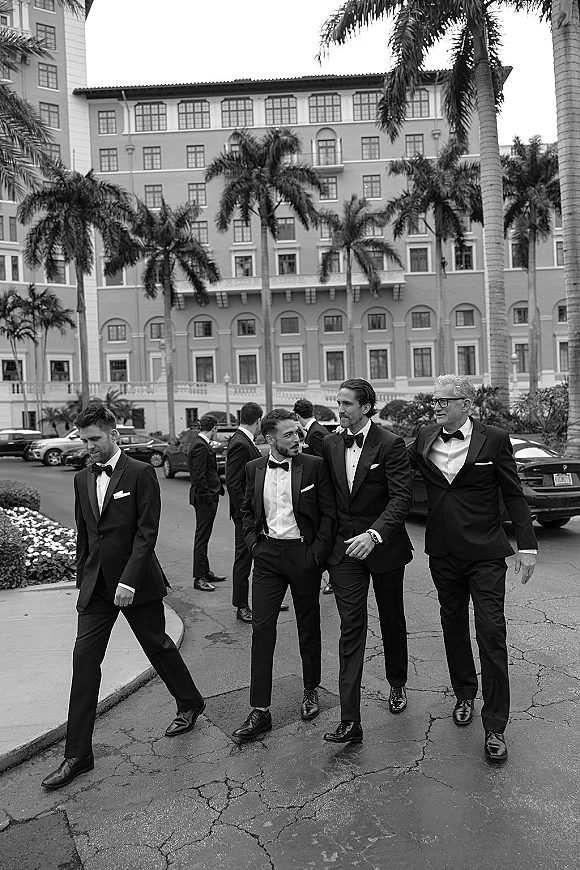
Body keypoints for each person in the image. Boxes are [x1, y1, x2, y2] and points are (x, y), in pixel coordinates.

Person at [42, 406, 205, 791]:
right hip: (98, 587)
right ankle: (78, 754)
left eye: (94, 439)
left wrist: (129, 580)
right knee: (84, 661)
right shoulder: (82, 478)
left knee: (158, 646)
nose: (89, 447)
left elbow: (147, 533)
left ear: (113, 434)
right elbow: (85, 535)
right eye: (84, 441)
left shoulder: (140, 472)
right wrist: (83, 580)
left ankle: (190, 701)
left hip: (137, 583)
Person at [408, 374, 537, 763]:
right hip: (443, 552)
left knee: (491, 632)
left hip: (485, 553)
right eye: (435, 401)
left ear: (467, 403)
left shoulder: (494, 439)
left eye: (444, 401)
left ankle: (495, 725)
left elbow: (512, 493)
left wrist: (526, 547)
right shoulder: (424, 435)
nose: (437, 407)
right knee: (452, 625)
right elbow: (390, 465)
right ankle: (464, 692)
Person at [232, 409, 336, 742]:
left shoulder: (315, 466)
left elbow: (328, 515)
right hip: (267, 557)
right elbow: (246, 510)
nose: (297, 439)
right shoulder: (254, 468)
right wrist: (253, 545)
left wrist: (315, 556)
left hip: (302, 554)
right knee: (262, 629)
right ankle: (260, 709)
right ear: (269, 438)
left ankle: (310, 690)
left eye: (298, 432)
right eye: (289, 434)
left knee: (308, 624)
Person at [322, 378, 413, 745]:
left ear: (365, 407)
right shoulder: (328, 443)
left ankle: (397, 683)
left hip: (384, 548)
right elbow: (327, 501)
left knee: (392, 619)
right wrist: (327, 557)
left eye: (345, 403)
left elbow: (401, 499)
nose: (339, 409)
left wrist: (374, 535)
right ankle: (350, 719)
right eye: (338, 402)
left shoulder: (390, 444)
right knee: (351, 626)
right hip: (345, 553)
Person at [225, 402, 263, 622]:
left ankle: (262, 600)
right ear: (258, 421)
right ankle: (241, 605)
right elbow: (234, 482)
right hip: (245, 515)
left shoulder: (243, 439)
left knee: (258, 557)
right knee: (243, 559)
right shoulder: (240, 442)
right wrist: (245, 513)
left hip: (250, 513)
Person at [293, 399, 334, 595]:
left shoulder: (317, 433)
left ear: (297, 416)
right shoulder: (313, 430)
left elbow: (322, 463)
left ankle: (332, 577)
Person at [188, 413, 226, 592]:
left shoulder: (201, 443)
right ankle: (199, 577)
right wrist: (208, 497)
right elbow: (198, 475)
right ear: (214, 428)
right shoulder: (200, 446)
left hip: (208, 495)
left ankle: (205, 571)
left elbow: (208, 471)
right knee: (202, 537)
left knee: (205, 535)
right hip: (204, 499)